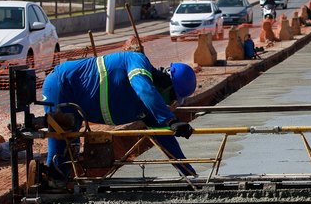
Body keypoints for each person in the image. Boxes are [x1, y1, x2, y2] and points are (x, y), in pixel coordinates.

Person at [41, 51, 198, 182]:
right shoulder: (137, 61)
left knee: (70, 157)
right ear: (166, 82)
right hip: (62, 86)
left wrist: (189, 174)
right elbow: (143, 87)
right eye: (171, 97)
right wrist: (170, 120)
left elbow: (166, 141)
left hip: (76, 98)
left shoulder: (147, 107)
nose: (169, 103)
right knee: (59, 156)